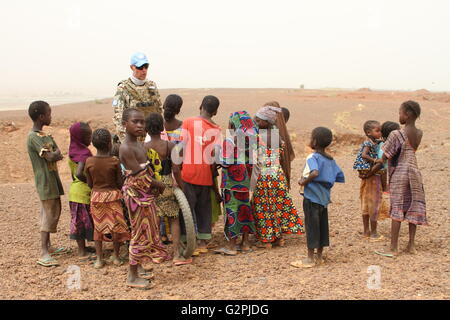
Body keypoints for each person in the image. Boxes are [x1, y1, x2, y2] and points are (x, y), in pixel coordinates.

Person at [119, 108, 169, 289]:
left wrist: (154, 188)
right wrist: (159, 185)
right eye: (135, 122)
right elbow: (141, 175)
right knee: (139, 233)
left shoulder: (140, 145)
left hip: (145, 193)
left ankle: (138, 266)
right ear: (125, 124)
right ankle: (131, 276)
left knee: (146, 229)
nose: (140, 125)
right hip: (135, 195)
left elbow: (146, 169)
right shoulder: (125, 148)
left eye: (142, 122)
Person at [376, 101, 427, 257]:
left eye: (400, 113)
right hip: (414, 172)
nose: (399, 116)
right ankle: (411, 245)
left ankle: (393, 247)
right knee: (414, 206)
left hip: (400, 173)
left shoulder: (396, 134)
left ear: (408, 114)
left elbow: (384, 157)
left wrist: (371, 169)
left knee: (397, 208)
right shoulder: (419, 133)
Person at [291, 127, 345, 268]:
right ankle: (319, 256)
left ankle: (309, 258)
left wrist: (304, 181)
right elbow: (339, 176)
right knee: (322, 226)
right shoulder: (331, 160)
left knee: (311, 226)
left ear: (314, 141)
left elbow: (314, 172)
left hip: (312, 197)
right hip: (324, 198)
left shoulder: (313, 157)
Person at [252, 105, 304, 249]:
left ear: (267, 122)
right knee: (276, 206)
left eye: (258, 119)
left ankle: (266, 240)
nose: (255, 121)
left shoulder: (257, 138)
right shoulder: (278, 137)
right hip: (276, 174)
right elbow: (280, 156)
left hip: (263, 176)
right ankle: (278, 238)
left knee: (263, 207)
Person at [144, 113, 192, 266]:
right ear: (161, 127)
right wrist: (181, 186)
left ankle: (157, 253)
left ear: (146, 129)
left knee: (155, 219)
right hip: (166, 184)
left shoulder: (143, 147)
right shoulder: (169, 145)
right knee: (173, 218)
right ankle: (177, 254)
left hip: (151, 185)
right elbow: (176, 170)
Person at [179, 95, 222, 253]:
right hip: (205, 175)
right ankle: (203, 242)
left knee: (187, 209)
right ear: (215, 111)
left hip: (187, 173)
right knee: (204, 209)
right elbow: (215, 157)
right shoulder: (216, 130)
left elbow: (181, 147)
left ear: (200, 106)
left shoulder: (188, 122)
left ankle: (186, 240)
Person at [26, 101, 67, 267]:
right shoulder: (33, 137)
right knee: (49, 212)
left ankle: (49, 247)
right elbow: (51, 156)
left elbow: (58, 153)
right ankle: (43, 252)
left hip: (52, 179)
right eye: (49, 113)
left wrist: (55, 154)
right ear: (41, 116)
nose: (51, 116)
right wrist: (54, 154)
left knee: (54, 209)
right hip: (44, 180)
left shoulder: (45, 136)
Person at [85, 129, 131, 269]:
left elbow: (89, 183)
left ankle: (99, 260)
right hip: (113, 196)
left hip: (97, 197)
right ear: (109, 144)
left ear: (93, 144)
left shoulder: (89, 161)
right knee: (116, 227)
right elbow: (119, 182)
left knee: (98, 228)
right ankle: (116, 257)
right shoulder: (114, 161)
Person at [214, 111, 257, 255]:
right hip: (245, 182)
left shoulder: (230, 140)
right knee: (245, 209)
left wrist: (217, 154)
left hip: (231, 183)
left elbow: (225, 163)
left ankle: (231, 246)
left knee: (232, 210)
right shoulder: (250, 141)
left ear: (232, 124)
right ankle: (245, 243)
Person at [112, 52, 162, 141]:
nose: (144, 70)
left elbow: (159, 111)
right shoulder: (123, 88)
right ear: (132, 67)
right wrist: (126, 142)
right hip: (133, 140)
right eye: (140, 67)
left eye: (146, 66)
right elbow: (118, 116)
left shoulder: (152, 86)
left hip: (151, 138)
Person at [353, 120, 384, 240]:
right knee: (372, 204)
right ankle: (373, 232)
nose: (380, 132)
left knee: (366, 203)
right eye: (377, 131)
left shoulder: (374, 142)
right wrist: (375, 161)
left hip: (367, 178)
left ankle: (366, 231)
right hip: (371, 176)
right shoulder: (368, 143)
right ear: (368, 132)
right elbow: (364, 155)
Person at [68, 122, 95, 259]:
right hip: (82, 192)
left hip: (74, 191)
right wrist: (90, 182)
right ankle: (82, 252)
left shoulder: (73, 150)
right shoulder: (83, 153)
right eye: (88, 135)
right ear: (81, 137)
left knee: (79, 221)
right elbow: (79, 173)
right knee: (81, 223)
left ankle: (83, 248)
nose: (90, 138)